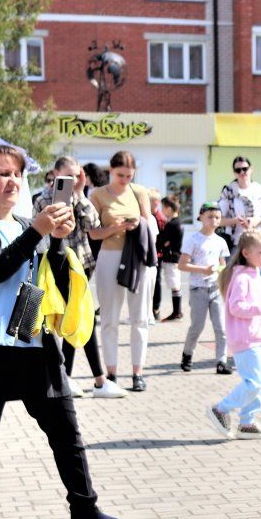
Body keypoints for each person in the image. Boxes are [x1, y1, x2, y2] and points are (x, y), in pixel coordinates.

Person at [0, 143, 126, 519]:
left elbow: (52, 282)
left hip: (34, 347)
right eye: (3, 174)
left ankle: (84, 509)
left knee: (68, 436)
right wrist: (40, 232)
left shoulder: (29, 223)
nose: (12, 182)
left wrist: (58, 243)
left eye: (17, 175)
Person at [32, 156, 124, 399]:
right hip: (55, 266)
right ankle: (97, 380)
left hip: (79, 266)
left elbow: (93, 227)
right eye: (68, 175)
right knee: (81, 319)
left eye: (76, 175)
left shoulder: (79, 198)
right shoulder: (43, 199)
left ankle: (71, 378)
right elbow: (44, 233)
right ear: (55, 174)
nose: (72, 180)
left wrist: (81, 193)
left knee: (76, 318)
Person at [206, 228, 261, 441]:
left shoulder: (252, 273)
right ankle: (221, 409)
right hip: (246, 338)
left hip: (255, 337)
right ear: (246, 253)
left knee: (258, 382)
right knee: (254, 383)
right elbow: (236, 307)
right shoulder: (242, 277)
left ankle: (247, 423)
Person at [88, 150, 156, 391]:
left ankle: (138, 372)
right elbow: (93, 233)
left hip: (136, 255)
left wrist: (138, 223)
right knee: (109, 318)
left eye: (129, 175)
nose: (125, 179)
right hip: (109, 254)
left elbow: (149, 223)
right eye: (120, 175)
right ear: (110, 171)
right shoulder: (97, 194)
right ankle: (112, 372)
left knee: (140, 318)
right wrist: (115, 227)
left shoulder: (139, 192)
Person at [178, 202, 232, 373]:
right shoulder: (193, 239)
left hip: (215, 289)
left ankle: (221, 361)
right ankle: (187, 354)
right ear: (201, 217)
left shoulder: (220, 241)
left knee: (221, 327)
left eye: (217, 217)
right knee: (197, 326)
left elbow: (223, 264)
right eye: (210, 217)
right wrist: (203, 270)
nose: (214, 220)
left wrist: (221, 273)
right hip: (198, 289)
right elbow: (182, 265)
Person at [217, 156, 261, 250]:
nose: (242, 172)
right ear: (234, 173)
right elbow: (217, 220)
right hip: (236, 243)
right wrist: (234, 221)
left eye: (245, 169)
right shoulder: (228, 191)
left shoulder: (260, 190)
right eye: (238, 170)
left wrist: (256, 221)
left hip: (257, 241)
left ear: (251, 169)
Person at [157, 196, 184, 321]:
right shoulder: (176, 222)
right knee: (174, 283)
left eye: (163, 207)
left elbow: (163, 240)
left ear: (168, 208)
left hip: (172, 257)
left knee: (174, 284)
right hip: (174, 256)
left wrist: (164, 242)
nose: (162, 210)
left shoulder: (173, 224)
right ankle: (177, 311)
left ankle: (177, 312)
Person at [148, 187, 167, 320]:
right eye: (153, 201)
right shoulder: (148, 215)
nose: (156, 203)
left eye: (158, 201)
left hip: (157, 254)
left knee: (157, 281)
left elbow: (164, 238)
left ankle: (156, 308)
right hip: (149, 252)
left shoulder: (160, 218)